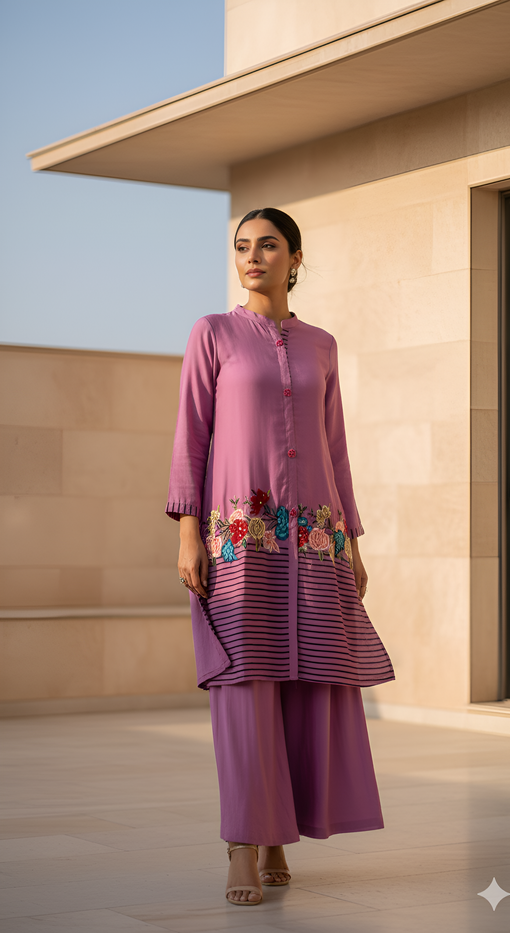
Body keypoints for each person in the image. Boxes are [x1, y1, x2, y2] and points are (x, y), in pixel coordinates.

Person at [166, 207, 394, 906]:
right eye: (242, 246)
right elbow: (191, 436)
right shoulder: (213, 334)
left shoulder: (320, 345)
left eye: (267, 245)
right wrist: (185, 533)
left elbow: (336, 447)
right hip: (239, 539)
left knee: (303, 681)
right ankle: (242, 842)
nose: (252, 256)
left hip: (314, 539)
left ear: (295, 257)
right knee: (244, 688)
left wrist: (350, 538)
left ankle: (276, 835)